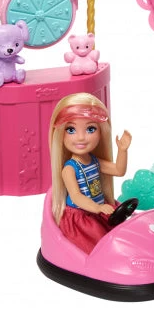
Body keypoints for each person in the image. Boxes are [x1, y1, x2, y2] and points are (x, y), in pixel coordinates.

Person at [49, 93, 131, 254]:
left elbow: (118, 170)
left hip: (98, 211)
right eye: (71, 129)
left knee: (122, 229)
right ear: (60, 134)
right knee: (101, 242)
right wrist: (97, 207)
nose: (81, 138)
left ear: (101, 132)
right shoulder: (70, 169)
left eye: (90, 129)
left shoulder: (94, 161)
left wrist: (122, 150)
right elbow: (76, 196)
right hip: (81, 217)